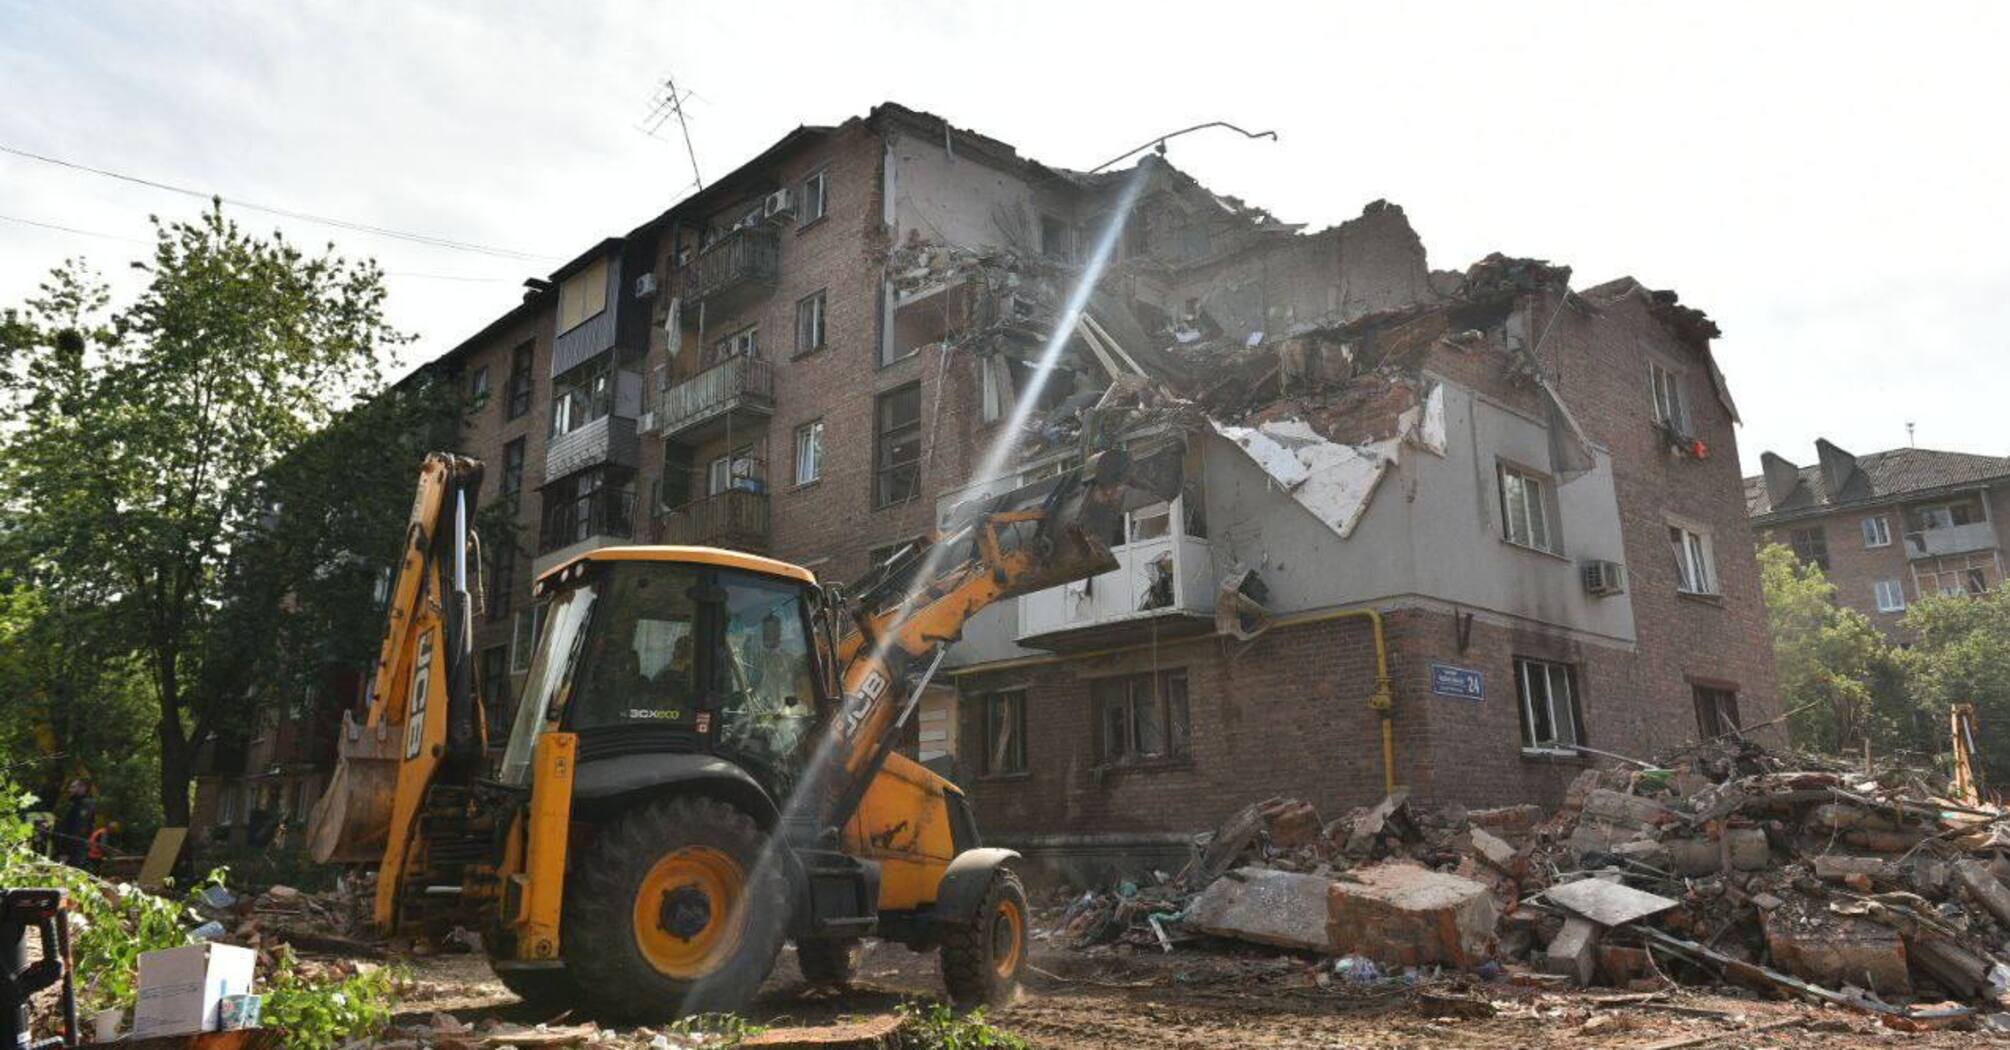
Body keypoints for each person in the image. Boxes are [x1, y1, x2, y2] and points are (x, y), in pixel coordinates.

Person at [52, 779, 96, 867]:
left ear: (82, 788)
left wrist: (66, 851)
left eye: (73, 787)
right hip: (63, 849)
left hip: (73, 851)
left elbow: (78, 830)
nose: (69, 790)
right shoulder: (72, 804)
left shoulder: (85, 805)